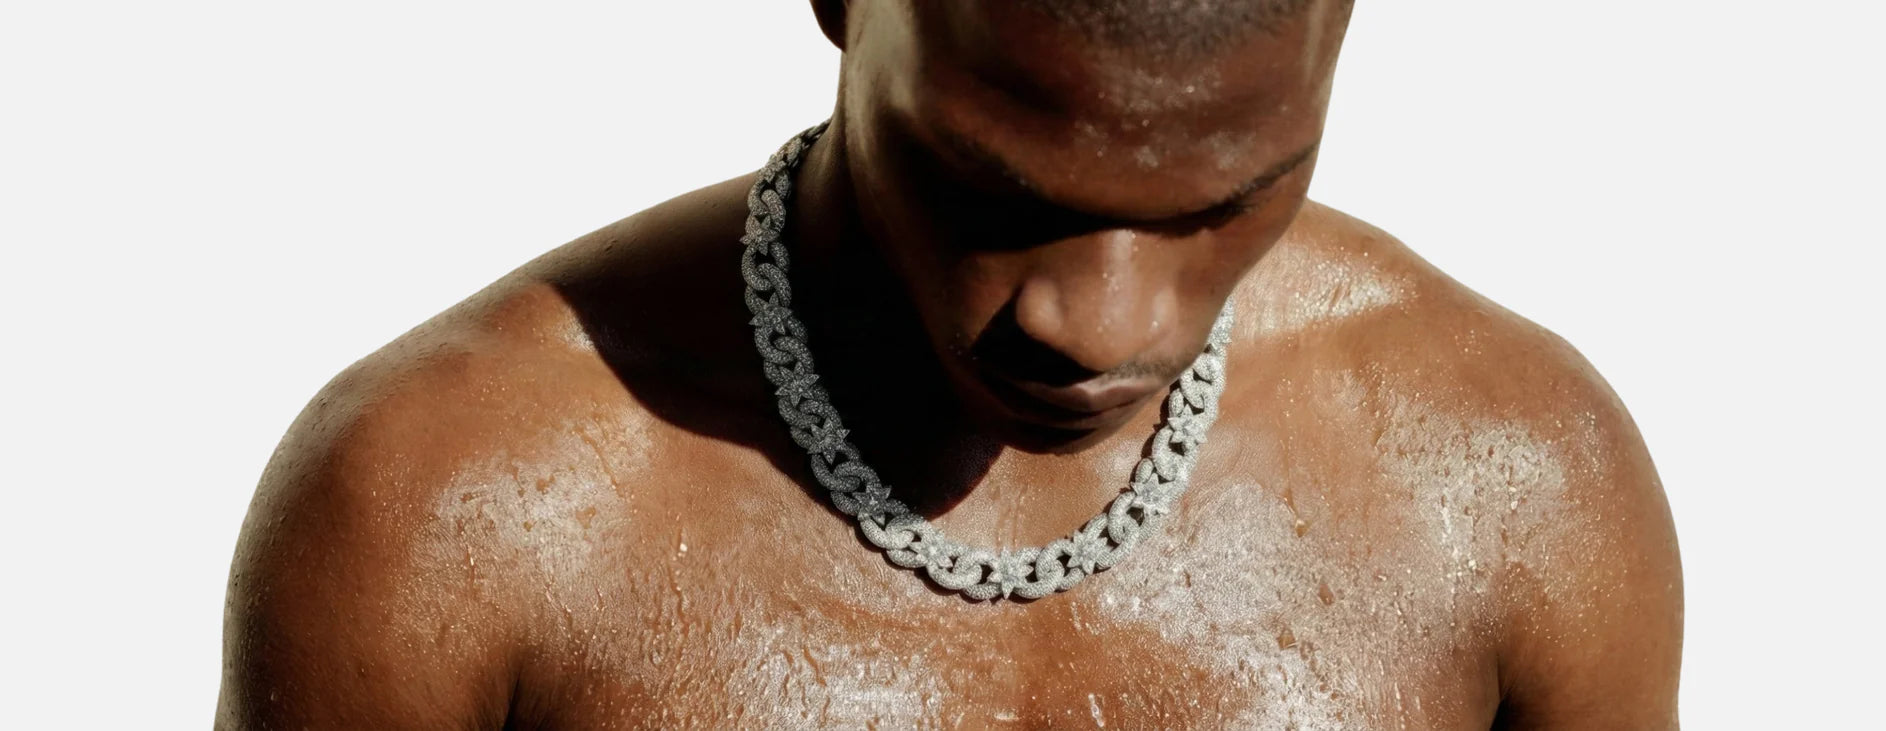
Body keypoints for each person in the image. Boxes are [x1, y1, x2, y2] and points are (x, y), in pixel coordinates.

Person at [216, 0, 1683, 727]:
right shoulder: (450, 508)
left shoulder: (1509, 480)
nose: (1102, 326)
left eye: (1222, 203)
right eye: (997, 192)